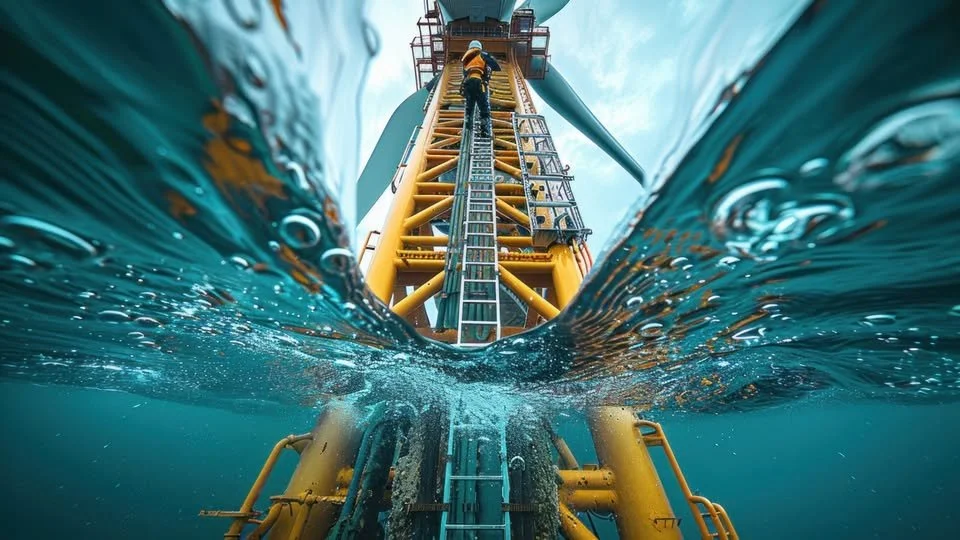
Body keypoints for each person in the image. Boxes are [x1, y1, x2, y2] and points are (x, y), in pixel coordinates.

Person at [459, 40, 501, 138]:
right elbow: (496, 66)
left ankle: (468, 126)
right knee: (484, 108)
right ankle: (484, 131)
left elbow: (465, 73)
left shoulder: (465, 58)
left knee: (470, 107)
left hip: (468, 84)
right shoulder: (482, 54)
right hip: (479, 83)